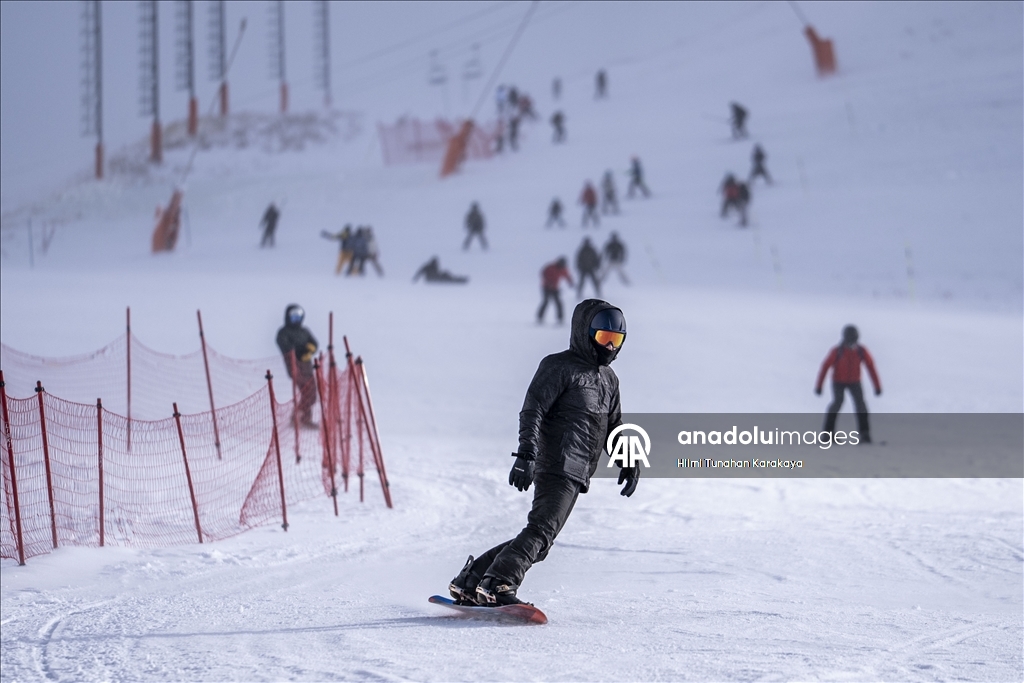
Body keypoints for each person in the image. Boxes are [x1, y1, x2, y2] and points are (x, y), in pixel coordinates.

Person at [448, 300, 637, 606]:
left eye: (617, 340)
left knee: (541, 539)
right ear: (584, 334)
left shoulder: (609, 381)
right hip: (556, 462)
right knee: (541, 530)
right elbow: (532, 410)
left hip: (578, 472)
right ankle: (499, 583)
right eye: (604, 338)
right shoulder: (558, 367)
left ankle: (472, 580)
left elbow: (614, 425)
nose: (611, 347)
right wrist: (526, 454)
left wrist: (628, 460)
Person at [815, 325, 882, 443]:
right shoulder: (837, 351)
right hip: (838, 382)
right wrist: (819, 386)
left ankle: (864, 433)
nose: (851, 344)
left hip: (855, 382)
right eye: (849, 340)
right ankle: (827, 434)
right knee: (837, 403)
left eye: (853, 340)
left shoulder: (861, 351)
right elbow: (825, 367)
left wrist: (877, 386)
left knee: (861, 405)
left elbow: (871, 367)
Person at [275, 304, 319, 429]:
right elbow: (285, 346)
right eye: (293, 318)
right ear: (288, 318)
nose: (296, 321)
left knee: (312, 394)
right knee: (306, 391)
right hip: (294, 365)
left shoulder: (304, 331)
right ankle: (298, 417)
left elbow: (314, 343)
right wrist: (301, 350)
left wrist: (310, 349)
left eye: (298, 318)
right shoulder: (284, 332)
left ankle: (304, 418)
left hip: (307, 365)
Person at [537, 256, 574, 323]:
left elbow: (567, 276)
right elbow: (543, 273)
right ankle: (540, 317)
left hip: (555, 288)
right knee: (546, 302)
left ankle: (560, 318)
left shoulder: (563, 269)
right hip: (546, 287)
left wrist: (570, 282)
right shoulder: (550, 267)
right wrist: (549, 282)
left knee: (558, 303)